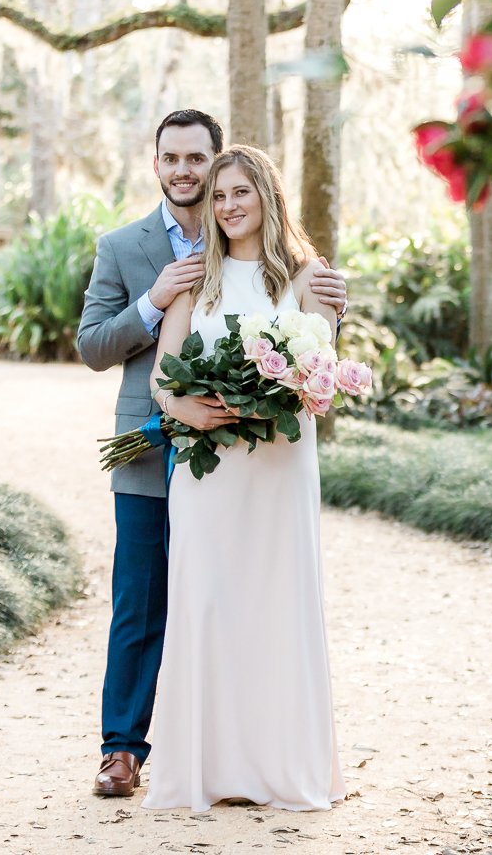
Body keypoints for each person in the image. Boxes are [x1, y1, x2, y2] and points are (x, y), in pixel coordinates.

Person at [77, 110, 348, 799]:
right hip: (152, 445)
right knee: (143, 600)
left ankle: (254, 750)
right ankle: (122, 749)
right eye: (173, 158)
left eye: (199, 159)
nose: (187, 172)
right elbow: (92, 348)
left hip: (252, 461)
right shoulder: (129, 249)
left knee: (241, 596)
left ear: (227, 166)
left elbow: (307, 337)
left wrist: (331, 316)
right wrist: (153, 301)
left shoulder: (284, 261)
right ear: (158, 164)